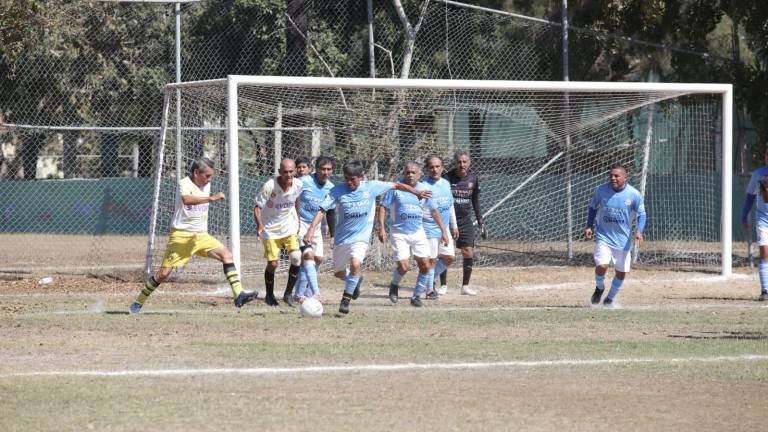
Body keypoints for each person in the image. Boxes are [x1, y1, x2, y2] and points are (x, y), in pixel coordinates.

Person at [129, 158, 258, 314]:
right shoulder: (184, 183)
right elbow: (187, 200)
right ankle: (139, 301)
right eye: (207, 176)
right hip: (181, 236)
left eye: (211, 176)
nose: (209, 179)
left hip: (201, 236)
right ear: (196, 173)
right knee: (163, 274)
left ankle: (238, 294)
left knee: (227, 256)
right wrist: (211, 198)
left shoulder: (206, 184)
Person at [303, 159, 432, 314]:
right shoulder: (337, 190)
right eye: (346, 179)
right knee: (338, 273)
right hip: (342, 238)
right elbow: (322, 210)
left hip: (360, 238)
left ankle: (345, 300)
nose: (349, 182)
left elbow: (397, 185)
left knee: (356, 263)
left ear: (361, 177)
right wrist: (311, 230)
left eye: (353, 179)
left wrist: (416, 192)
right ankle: (355, 280)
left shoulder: (371, 187)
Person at [377, 162, 449, 307]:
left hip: (418, 231)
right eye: (407, 172)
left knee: (426, 265)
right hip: (399, 232)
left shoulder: (424, 189)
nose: (410, 175)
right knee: (404, 267)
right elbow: (383, 207)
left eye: (413, 172)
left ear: (419, 174)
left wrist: (444, 231)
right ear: (404, 173)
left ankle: (416, 296)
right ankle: (394, 285)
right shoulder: (396, 188)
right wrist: (382, 228)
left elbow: (434, 211)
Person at [584, 165, 646, 308]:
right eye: (611, 175)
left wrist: (639, 231)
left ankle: (610, 298)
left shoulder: (634, 194)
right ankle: (600, 287)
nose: (613, 178)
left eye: (617, 176)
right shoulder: (601, 190)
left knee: (621, 272)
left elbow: (642, 214)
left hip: (623, 240)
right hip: (603, 236)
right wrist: (589, 226)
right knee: (602, 265)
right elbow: (592, 208)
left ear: (625, 178)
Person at [254, 158, 303, 307]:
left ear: (295, 171)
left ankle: (288, 294)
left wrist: (298, 219)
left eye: (291, 171)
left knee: (296, 258)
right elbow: (257, 207)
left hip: (289, 227)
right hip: (270, 229)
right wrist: (259, 225)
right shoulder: (270, 186)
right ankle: (269, 295)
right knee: (273, 264)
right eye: (285, 172)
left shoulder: (298, 184)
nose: (289, 175)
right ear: (279, 172)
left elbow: (297, 200)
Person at [441, 149, 486, 296]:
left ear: (469, 163)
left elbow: (475, 201)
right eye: (459, 162)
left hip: (465, 221)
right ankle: (443, 285)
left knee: (468, 252)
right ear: (455, 163)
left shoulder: (473, 179)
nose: (462, 164)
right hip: (447, 221)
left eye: (464, 162)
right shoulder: (446, 178)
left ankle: (465, 286)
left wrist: (481, 222)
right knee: (445, 254)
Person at [295, 156, 336, 301]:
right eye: (323, 169)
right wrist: (294, 222)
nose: (326, 172)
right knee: (308, 255)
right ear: (316, 169)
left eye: (329, 169)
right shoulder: (303, 181)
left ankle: (301, 293)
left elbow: (330, 212)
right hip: (300, 224)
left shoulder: (331, 188)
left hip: (316, 226)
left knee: (318, 258)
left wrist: (333, 235)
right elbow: (292, 199)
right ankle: (315, 292)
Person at [422, 156, 459, 298]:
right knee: (431, 259)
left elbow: (450, 206)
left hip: (445, 229)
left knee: (449, 257)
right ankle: (429, 290)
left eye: (437, 166)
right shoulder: (423, 186)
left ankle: (427, 280)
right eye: (431, 167)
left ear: (442, 168)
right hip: (430, 228)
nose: (434, 169)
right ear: (427, 169)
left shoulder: (446, 184)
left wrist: (454, 226)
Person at [740, 148, 768, 301]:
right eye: (767, 154)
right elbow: (750, 197)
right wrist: (744, 217)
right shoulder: (758, 174)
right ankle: (765, 291)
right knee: (764, 253)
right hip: (763, 220)